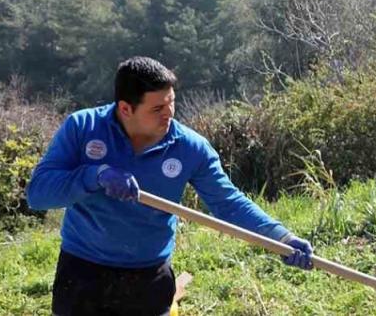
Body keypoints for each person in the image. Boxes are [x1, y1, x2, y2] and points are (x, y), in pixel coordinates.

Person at [27, 56, 314, 316]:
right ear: (126, 108)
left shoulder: (189, 148)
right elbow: (38, 194)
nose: (169, 113)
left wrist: (282, 238)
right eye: (157, 108)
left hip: (148, 278)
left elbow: (228, 202)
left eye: (171, 102)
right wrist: (95, 175)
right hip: (82, 273)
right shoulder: (82, 127)